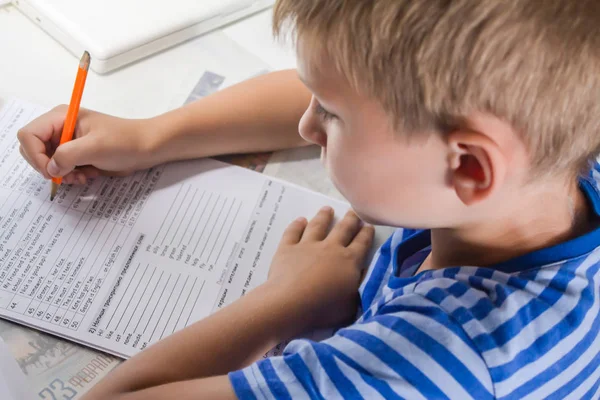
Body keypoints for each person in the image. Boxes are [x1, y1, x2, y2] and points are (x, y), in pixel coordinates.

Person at [17, 1, 600, 398]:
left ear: (469, 166)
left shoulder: (434, 362)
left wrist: (289, 300)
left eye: (330, 114)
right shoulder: (562, 141)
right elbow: (353, 83)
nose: (305, 125)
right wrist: (154, 135)